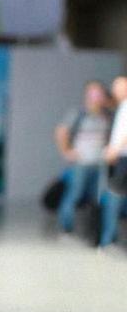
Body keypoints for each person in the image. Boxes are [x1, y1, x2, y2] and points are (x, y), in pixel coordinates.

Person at [54, 80, 113, 235]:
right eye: (93, 93)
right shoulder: (78, 113)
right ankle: (66, 227)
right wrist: (66, 151)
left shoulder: (107, 115)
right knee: (75, 194)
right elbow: (61, 131)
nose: (96, 96)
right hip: (81, 163)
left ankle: (89, 228)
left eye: (99, 93)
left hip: (99, 163)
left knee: (95, 197)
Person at [99, 75, 127, 247]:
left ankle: (109, 240)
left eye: (120, 87)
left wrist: (115, 150)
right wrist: (111, 148)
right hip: (119, 157)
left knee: (114, 198)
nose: (116, 91)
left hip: (123, 157)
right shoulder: (121, 107)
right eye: (115, 87)